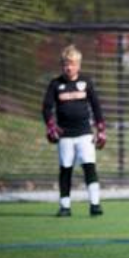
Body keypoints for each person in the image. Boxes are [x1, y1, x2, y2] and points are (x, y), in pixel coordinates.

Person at [42, 44, 106, 217]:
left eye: (72, 63)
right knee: (65, 169)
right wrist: (50, 125)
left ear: (78, 65)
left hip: (85, 133)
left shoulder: (86, 82)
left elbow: (96, 106)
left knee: (89, 167)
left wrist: (100, 128)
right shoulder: (56, 84)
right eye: (65, 64)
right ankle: (65, 206)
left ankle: (95, 204)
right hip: (65, 135)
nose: (68, 67)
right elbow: (47, 108)